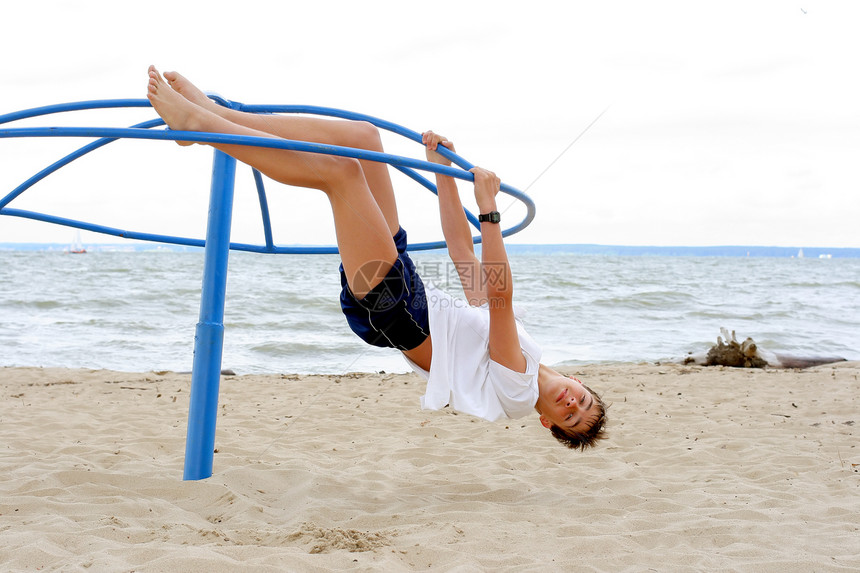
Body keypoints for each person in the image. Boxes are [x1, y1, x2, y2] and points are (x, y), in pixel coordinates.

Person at [146, 66, 606, 449]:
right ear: (581, 383)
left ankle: (200, 126)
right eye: (583, 401)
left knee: (340, 173)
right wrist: (442, 171)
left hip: (398, 313)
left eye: (570, 418)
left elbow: (500, 300)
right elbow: (462, 252)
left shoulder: (520, 393)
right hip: (410, 288)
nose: (572, 405)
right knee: (363, 140)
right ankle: (213, 116)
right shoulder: (530, 350)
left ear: (549, 423)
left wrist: (489, 211)